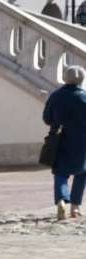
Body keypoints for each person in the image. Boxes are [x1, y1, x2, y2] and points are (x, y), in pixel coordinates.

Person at [43, 64, 86, 220]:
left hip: (60, 139)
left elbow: (47, 119)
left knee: (61, 172)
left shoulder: (56, 96)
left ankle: (61, 200)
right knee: (82, 173)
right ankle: (75, 206)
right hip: (82, 141)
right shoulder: (84, 97)